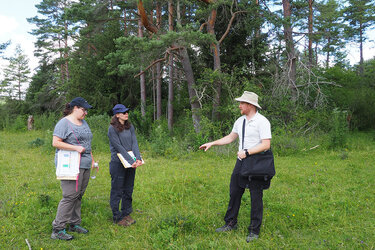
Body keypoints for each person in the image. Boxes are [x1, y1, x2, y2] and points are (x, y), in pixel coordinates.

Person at [199, 91, 272, 243]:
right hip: (241, 161)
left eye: (242, 103)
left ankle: (254, 230)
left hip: (257, 162)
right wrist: (212, 143)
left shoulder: (262, 121)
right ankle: (230, 223)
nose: (239, 105)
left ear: (250, 105)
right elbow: (231, 137)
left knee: (255, 196)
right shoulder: (240, 121)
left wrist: (247, 151)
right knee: (235, 192)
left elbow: (266, 144)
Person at [51, 97, 94, 240]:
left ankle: (74, 224)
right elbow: (56, 142)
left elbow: (87, 143)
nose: (85, 113)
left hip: (85, 164)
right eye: (84, 110)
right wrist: (75, 148)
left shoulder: (84, 122)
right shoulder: (64, 123)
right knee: (69, 196)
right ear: (75, 108)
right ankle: (58, 229)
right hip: (71, 165)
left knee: (78, 195)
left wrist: (92, 160)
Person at [108, 104, 143, 227]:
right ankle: (117, 216)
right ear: (117, 115)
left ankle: (126, 213)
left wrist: (138, 159)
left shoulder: (130, 126)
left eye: (127, 111)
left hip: (131, 163)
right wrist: (130, 160)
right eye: (123, 112)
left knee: (128, 188)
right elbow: (118, 147)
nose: (126, 114)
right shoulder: (112, 129)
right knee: (117, 190)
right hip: (118, 163)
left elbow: (134, 143)